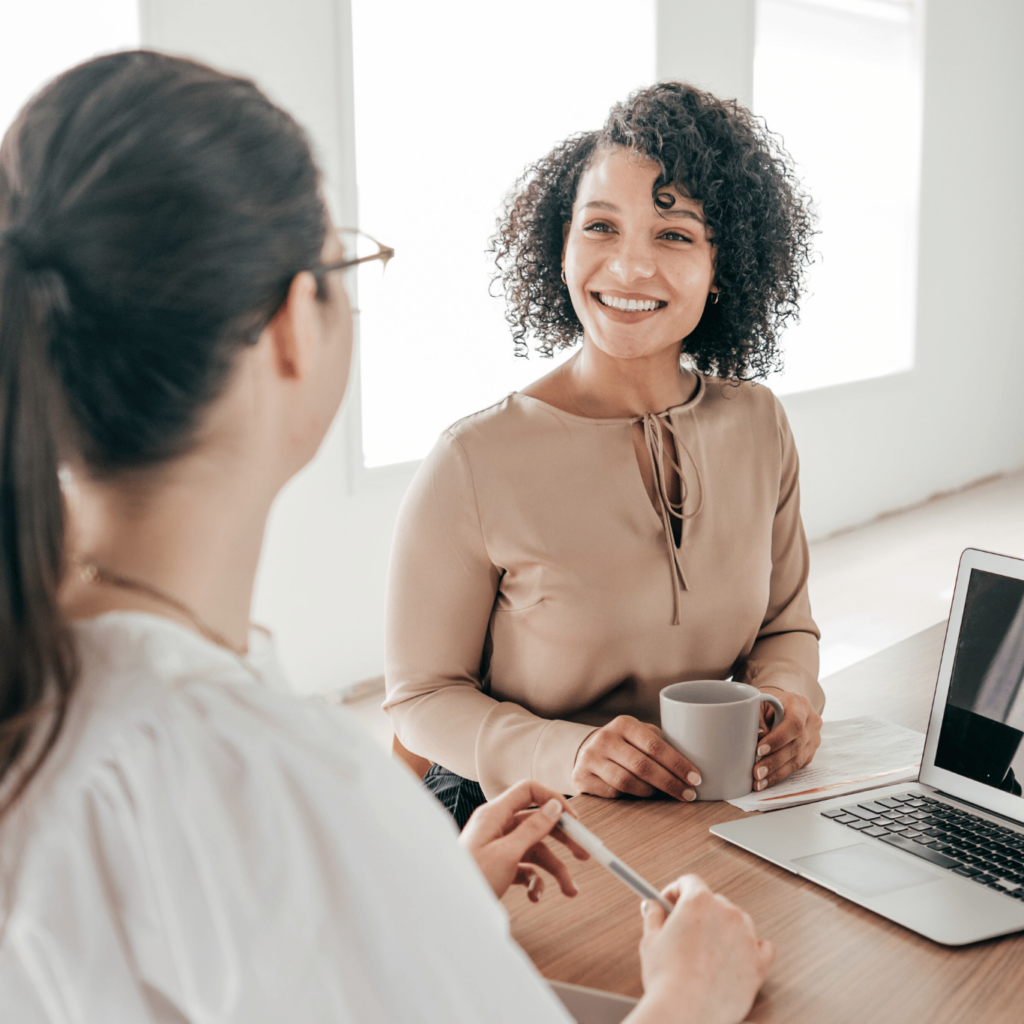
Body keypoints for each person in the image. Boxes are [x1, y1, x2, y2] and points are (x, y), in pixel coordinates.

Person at [0, 52, 774, 1023]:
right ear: (292, 326)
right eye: (342, 268)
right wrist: (692, 998)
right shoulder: (287, 782)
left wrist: (427, 894)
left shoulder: (58, 705)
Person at [385, 82, 826, 827]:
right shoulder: (474, 459)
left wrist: (790, 701)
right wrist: (568, 753)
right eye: (599, 227)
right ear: (560, 249)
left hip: (701, 812)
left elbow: (786, 626)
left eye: (674, 234)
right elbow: (420, 701)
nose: (628, 268)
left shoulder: (758, 424)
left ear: (725, 268)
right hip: (521, 824)